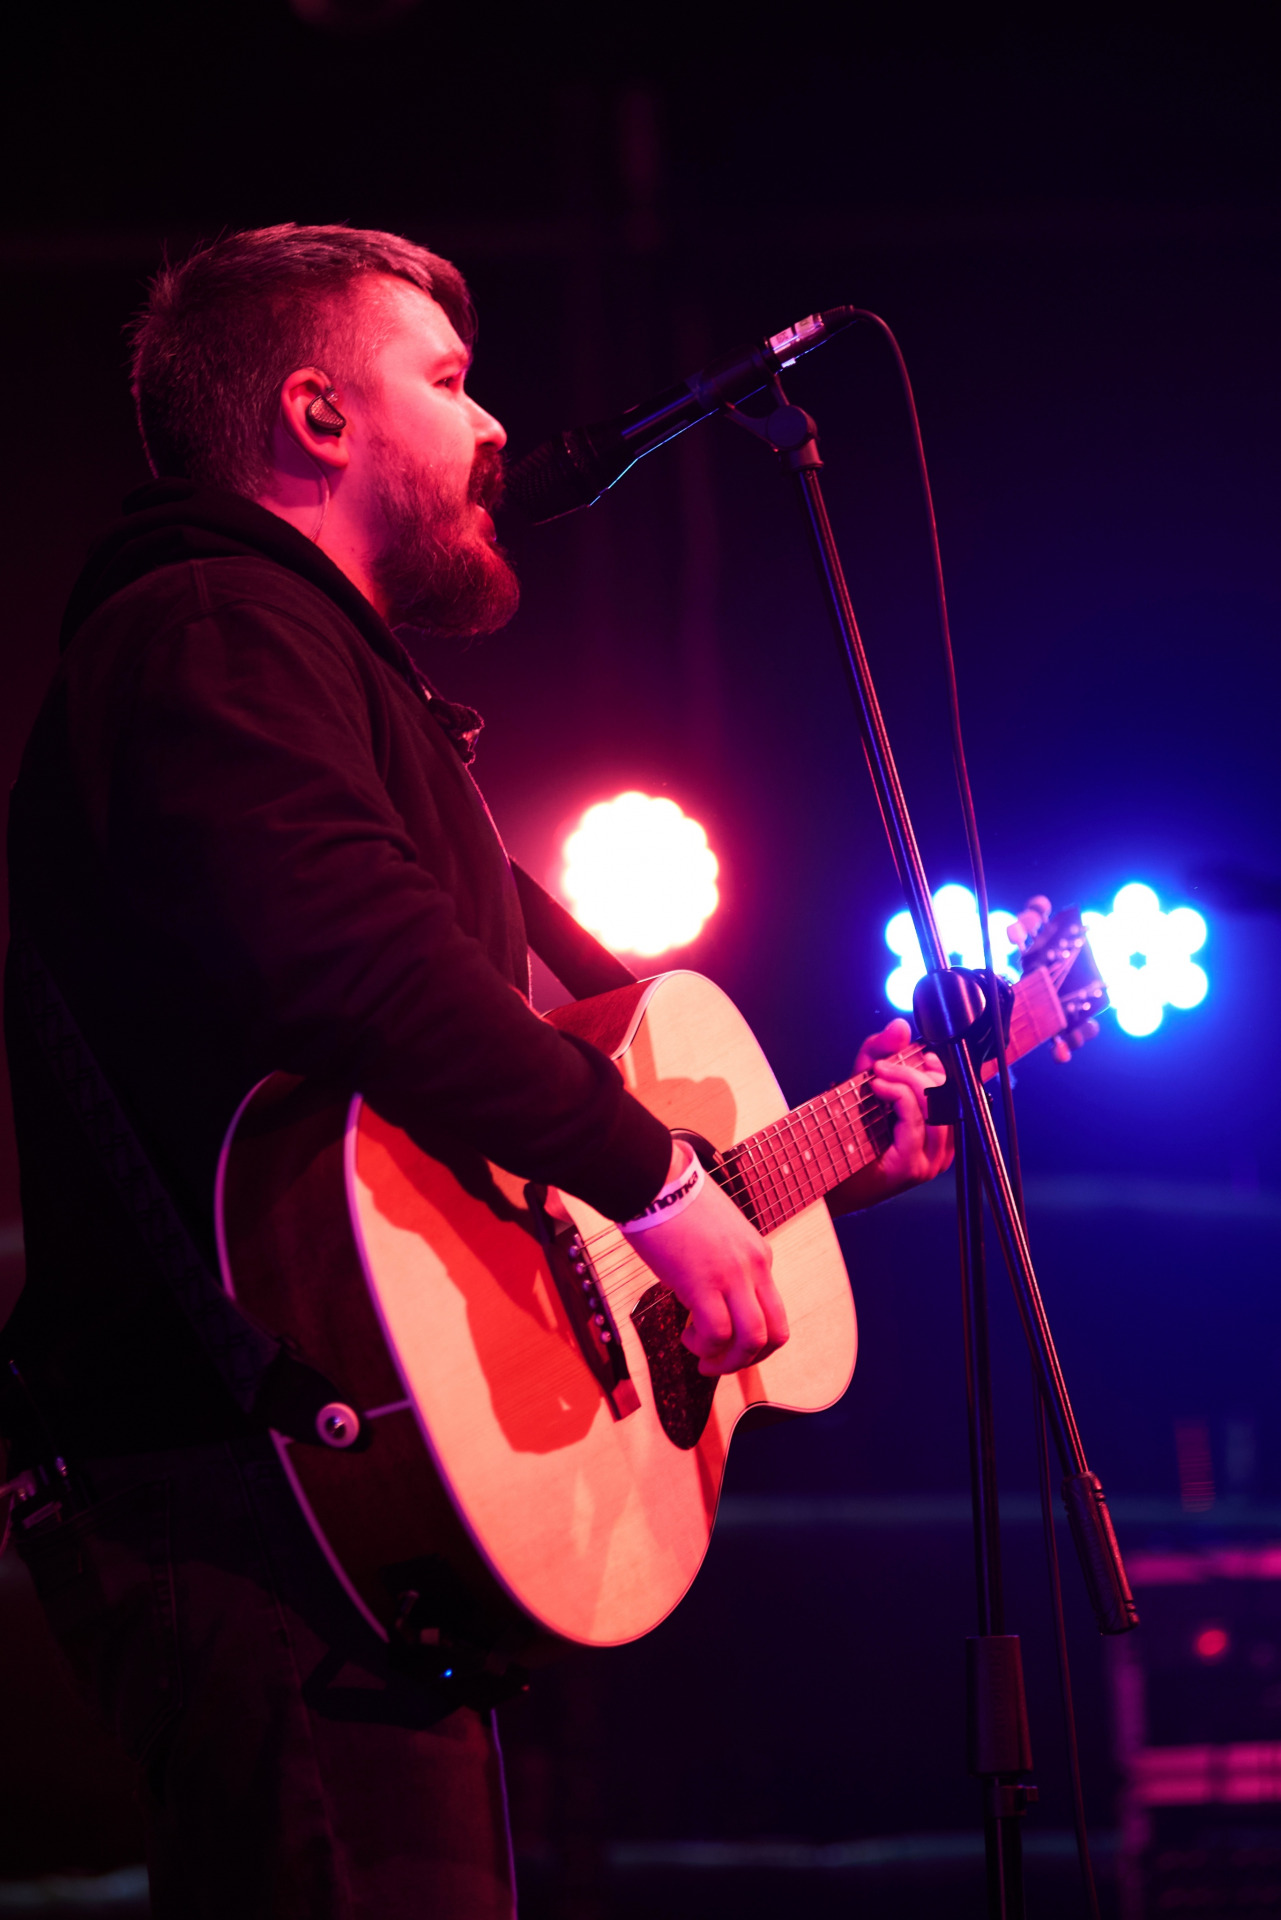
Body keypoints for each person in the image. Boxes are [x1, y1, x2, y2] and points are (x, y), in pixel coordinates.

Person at [1, 224, 952, 1919]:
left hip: (337, 1525)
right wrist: (658, 1181)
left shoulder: (308, 669)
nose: (496, 421)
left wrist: (821, 1159)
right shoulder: (211, 626)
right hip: (246, 1486)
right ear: (316, 415)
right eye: (446, 380)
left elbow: (496, 1096)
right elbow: (352, 959)